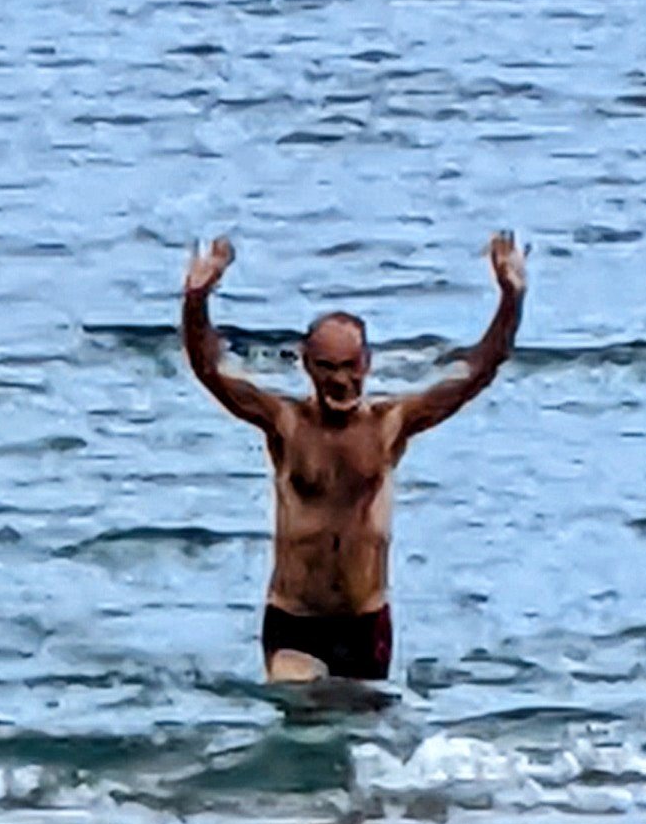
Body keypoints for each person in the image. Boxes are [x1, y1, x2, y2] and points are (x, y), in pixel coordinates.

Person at [181, 233, 526, 682]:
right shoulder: (285, 423)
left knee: (360, 724)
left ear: (367, 363)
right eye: (327, 367)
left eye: (349, 366)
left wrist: (511, 297)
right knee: (301, 702)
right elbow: (209, 369)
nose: (340, 380)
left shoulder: (390, 425)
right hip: (295, 619)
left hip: (364, 623)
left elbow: (479, 371)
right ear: (306, 364)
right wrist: (196, 299)